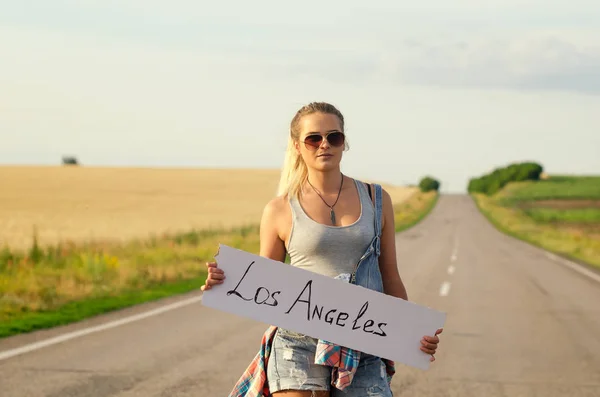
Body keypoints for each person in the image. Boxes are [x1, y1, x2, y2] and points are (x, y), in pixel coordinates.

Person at [201, 102, 442, 396]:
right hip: (297, 342)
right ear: (297, 146)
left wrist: (412, 331)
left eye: (334, 137)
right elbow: (265, 283)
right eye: (313, 138)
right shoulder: (279, 208)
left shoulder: (377, 200)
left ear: (344, 143)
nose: (324, 145)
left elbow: (390, 274)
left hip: (362, 342)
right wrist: (224, 281)